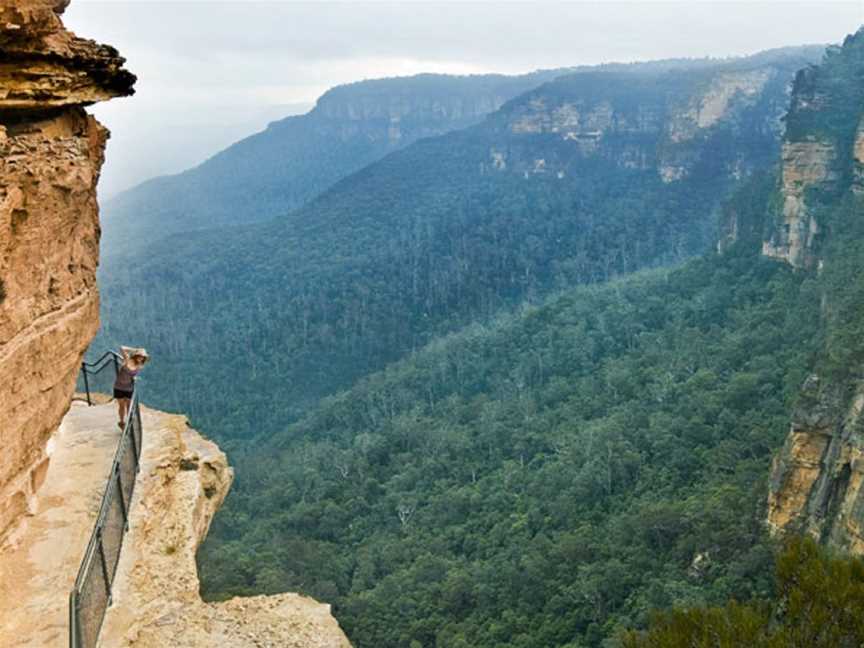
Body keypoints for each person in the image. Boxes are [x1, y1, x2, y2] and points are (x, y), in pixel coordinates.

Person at [114, 346, 149, 429]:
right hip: (119, 387)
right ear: (136, 355)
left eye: (142, 357)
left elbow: (132, 374)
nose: (140, 358)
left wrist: (134, 378)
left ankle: (129, 423)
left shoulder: (139, 365)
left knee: (129, 406)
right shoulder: (127, 359)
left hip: (129, 387)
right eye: (139, 356)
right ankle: (122, 422)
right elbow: (122, 348)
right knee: (121, 406)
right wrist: (135, 350)